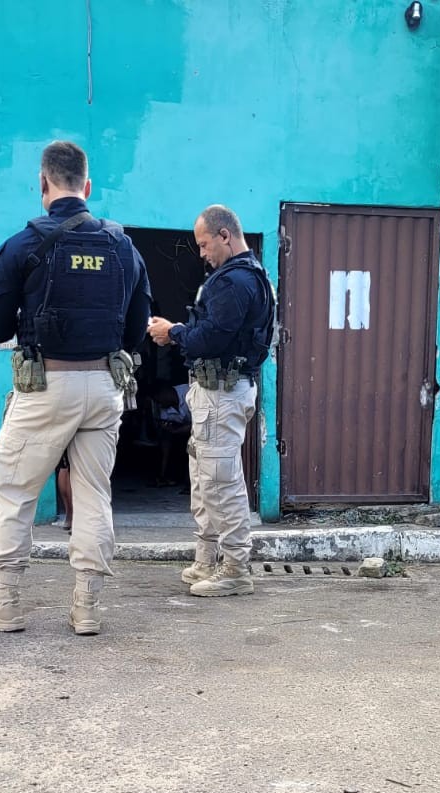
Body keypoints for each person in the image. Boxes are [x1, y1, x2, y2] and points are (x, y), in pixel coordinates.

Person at [0, 141, 151, 636]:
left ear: (42, 184)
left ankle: (6, 602)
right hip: (105, 388)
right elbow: (136, 330)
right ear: (87, 187)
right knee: (94, 494)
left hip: (45, 386)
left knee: (15, 489)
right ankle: (87, 607)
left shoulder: (24, 244)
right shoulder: (123, 247)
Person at [148, 205, 275, 598]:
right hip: (217, 390)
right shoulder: (247, 276)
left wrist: (173, 333)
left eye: (204, 244)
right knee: (205, 478)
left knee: (221, 480)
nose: (202, 253)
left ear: (225, 236)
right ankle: (206, 560)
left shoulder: (236, 281)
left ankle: (235, 569)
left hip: (222, 392)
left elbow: (211, 338)